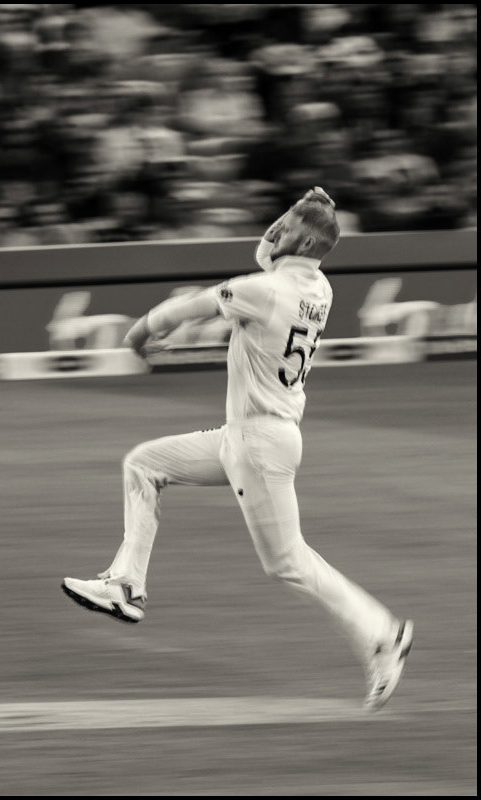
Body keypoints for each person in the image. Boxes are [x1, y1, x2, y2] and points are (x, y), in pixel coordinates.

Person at [61, 187, 414, 712]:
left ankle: (382, 633)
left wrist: (136, 339)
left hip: (258, 441)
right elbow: (272, 254)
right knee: (144, 465)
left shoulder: (265, 290)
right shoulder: (318, 287)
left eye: (287, 225)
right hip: (251, 435)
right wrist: (299, 214)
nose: (275, 229)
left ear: (304, 242)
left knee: (287, 562)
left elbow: (186, 307)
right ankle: (124, 585)